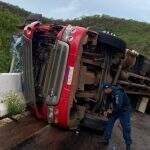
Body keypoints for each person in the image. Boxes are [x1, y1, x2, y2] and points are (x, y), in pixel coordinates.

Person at [101, 82, 132, 150]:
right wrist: (106, 110)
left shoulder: (118, 93)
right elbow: (108, 102)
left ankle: (128, 144)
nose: (103, 91)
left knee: (126, 127)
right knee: (109, 122)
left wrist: (111, 111)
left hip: (124, 111)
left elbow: (119, 106)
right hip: (116, 109)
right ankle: (106, 139)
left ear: (108, 88)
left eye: (104, 90)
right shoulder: (109, 92)